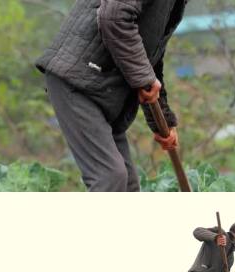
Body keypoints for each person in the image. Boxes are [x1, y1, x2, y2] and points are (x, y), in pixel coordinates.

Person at [36, 0, 188, 191]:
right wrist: (144, 79)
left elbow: (148, 56)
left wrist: (162, 121)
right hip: (78, 78)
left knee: (128, 187)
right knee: (109, 176)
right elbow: (114, 16)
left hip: (105, 90)